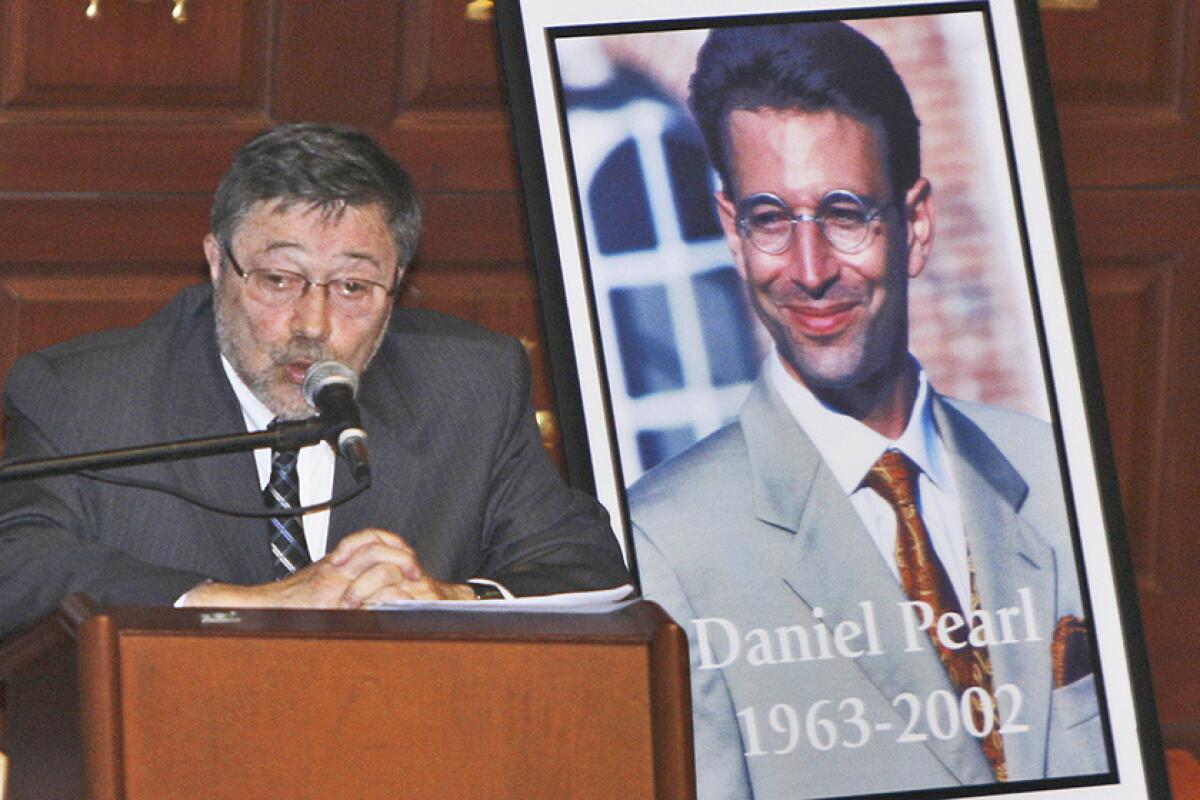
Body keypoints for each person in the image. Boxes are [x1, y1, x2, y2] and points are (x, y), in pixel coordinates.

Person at [629, 22, 1108, 799]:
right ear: (732, 232)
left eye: (846, 213)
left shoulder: (1057, 470)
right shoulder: (665, 547)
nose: (811, 271)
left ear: (915, 225)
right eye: (772, 219)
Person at [0, 123, 630, 638]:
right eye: (279, 279)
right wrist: (240, 605)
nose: (314, 325)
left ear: (397, 285)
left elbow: (585, 562)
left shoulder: (470, 382)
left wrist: (447, 598)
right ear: (218, 263)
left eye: (354, 287)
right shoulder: (84, 394)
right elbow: (17, 562)